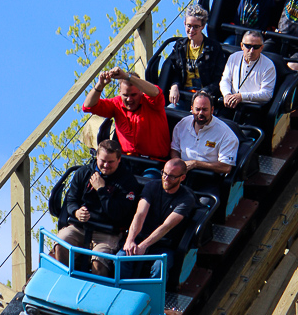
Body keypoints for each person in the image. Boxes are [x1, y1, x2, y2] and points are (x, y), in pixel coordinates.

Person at [54, 140, 140, 276]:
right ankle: (63, 280)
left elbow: (118, 214)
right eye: (102, 161)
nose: (106, 166)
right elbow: (71, 200)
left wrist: (101, 189)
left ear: (119, 160)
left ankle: (96, 292)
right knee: (61, 242)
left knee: (99, 260)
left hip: (107, 233)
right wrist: (76, 212)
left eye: (110, 162)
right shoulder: (83, 173)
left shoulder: (128, 182)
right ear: (97, 157)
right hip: (80, 227)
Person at [120, 158, 196, 279]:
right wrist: (130, 240)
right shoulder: (152, 186)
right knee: (121, 258)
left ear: (182, 178)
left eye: (171, 176)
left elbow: (167, 226)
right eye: (164, 174)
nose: (166, 179)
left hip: (164, 245)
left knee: (159, 268)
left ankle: (154, 296)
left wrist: (144, 246)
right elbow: (140, 214)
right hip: (140, 238)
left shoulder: (186, 199)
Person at [83, 66, 170, 161]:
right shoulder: (116, 104)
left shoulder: (152, 103)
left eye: (133, 95)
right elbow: (88, 106)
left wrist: (126, 76)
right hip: (126, 161)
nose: (129, 99)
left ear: (141, 91)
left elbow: (156, 92)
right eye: (125, 95)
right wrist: (100, 85)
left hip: (153, 162)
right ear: (120, 92)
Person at [166, 5, 225, 109]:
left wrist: (206, 91)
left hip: (205, 98)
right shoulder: (180, 46)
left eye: (196, 27)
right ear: (184, 24)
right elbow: (175, 71)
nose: (191, 30)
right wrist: (174, 85)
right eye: (189, 25)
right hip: (184, 95)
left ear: (202, 26)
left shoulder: (213, 48)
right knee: (171, 110)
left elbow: (219, 78)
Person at [170, 90, 239, 174]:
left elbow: (226, 167)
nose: (201, 113)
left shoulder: (226, 134)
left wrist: (196, 164)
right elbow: (174, 149)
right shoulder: (182, 124)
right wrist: (178, 164)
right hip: (182, 174)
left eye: (205, 109)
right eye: (197, 109)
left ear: (212, 110)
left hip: (208, 177)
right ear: (191, 109)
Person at [220, 31, 277, 110]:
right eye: (248, 46)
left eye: (256, 47)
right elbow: (225, 80)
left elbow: (267, 94)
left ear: (261, 48)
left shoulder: (268, 65)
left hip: (253, 108)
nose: (251, 50)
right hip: (230, 103)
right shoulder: (233, 57)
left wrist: (241, 96)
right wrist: (227, 94)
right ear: (242, 46)